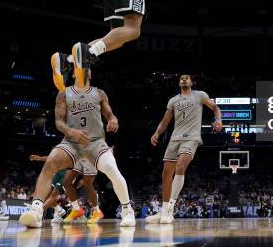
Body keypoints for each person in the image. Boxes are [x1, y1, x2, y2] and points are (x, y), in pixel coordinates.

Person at [19, 69, 135, 228]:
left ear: (90, 74)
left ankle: (128, 210)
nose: (83, 68)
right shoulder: (63, 94)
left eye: (87, 68)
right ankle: (36, 210)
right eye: (79, 67)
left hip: (95, 141)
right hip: (71, 142)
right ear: (73, 74)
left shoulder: (99, 93)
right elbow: (59, 122)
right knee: (52, 161)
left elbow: (110, 114)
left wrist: (113, 120)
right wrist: (70, 131)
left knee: (110, 168)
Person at [146, 74, 222, 224]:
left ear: (191, 82)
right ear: (179, 83)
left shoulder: (199, 95)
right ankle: (163, 210)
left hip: (191, 137)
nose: (184, 80)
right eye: (181, 78)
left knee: (180, 167)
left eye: (187, 78)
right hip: (175, 138)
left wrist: (218, 120)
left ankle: (169, 210)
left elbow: (215, 107)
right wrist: (156, 133)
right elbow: (165, 121)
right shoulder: (173, 100)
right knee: (166, 175)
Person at [29, 155, 104, 224]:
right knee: (47, 194)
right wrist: (39, 158)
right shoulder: (63, 149)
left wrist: (82, 177)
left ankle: (37, 213)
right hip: (58, 173)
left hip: (69, 172)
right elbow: (53, 158)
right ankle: (59, 210)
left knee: (54, 194)